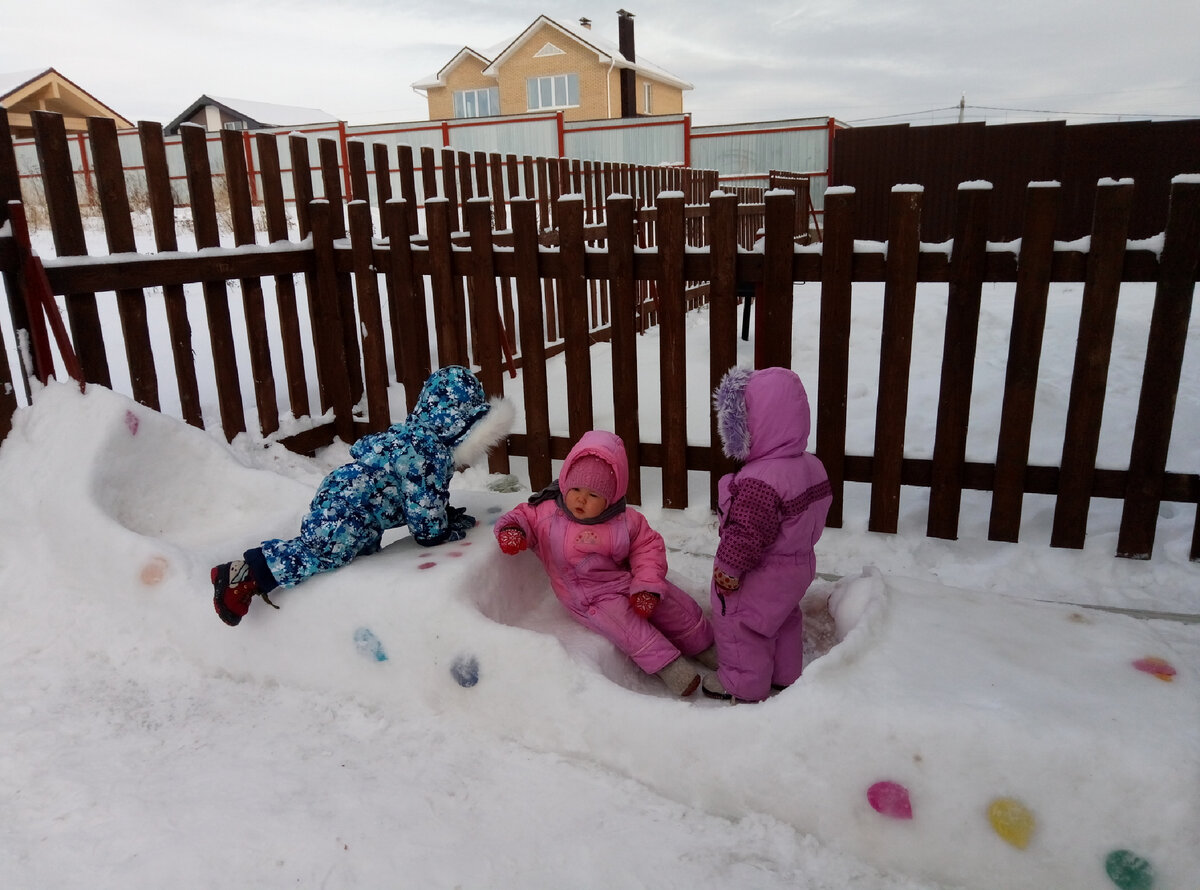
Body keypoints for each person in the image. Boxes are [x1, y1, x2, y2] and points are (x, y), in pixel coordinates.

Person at [211, 365, 514, 627]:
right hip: (351, 510)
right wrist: (443, 529)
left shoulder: (413, 439)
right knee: (321, 552)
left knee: (358, 557)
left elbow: (420, 494)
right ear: (463, 423)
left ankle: (342, 603)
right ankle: (246, 575)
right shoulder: (428, 453)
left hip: (347, 496)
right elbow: (425, 522)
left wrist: (443, 512)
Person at [494, 430, 717, 697]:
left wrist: (646, 585)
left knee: (672, 603)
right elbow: (520, 516)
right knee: (627, 625)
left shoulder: (625, 520)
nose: (580, 499)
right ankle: (670, 667)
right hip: (589, 597)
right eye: (575, 489)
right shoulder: (547, 513)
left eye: (593, 494)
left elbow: (648, 548)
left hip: (624, 579)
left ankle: (704, 646)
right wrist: (512, 531)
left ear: (610, 497)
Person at [704, 366, 832, 703]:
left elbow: (746, 534)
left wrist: (728, 571)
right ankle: (785, 675)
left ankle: (742, 684)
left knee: (741, 624)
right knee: (782, 617)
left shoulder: (760, 481)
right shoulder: (810, 465)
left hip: (760, 573)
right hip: (796, 568)